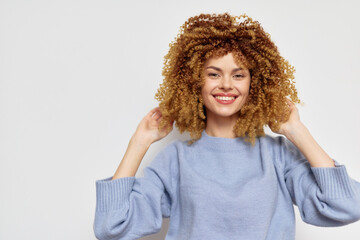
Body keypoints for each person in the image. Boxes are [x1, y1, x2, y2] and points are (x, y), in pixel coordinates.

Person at [93, 13, 360, 240]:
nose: (226, 85)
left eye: (238, 75)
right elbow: (112, 227)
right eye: (213, 74)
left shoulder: (278, 156)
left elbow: (347, 206)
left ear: (254, 84)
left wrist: (296, 131)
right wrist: (139, 143)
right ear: (193, 82)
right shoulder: (175, 160)